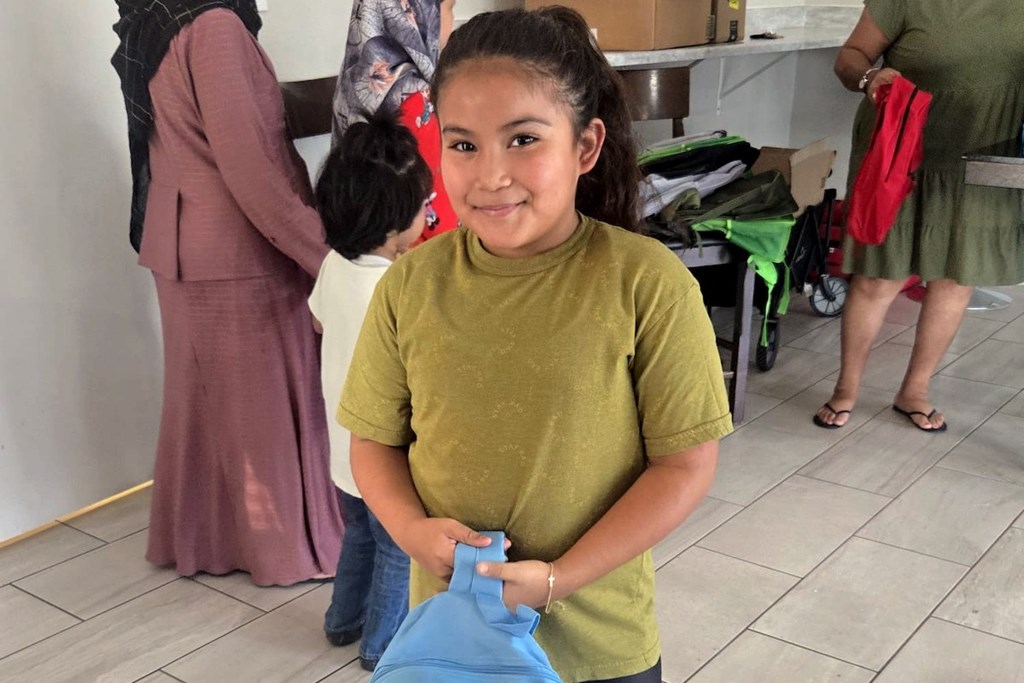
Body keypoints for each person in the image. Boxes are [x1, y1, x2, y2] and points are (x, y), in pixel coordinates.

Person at [337, 8, 732, 682]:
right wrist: (410, 530)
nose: (489, 174)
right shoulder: (410, 285)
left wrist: (558, 577)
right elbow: (374, 442)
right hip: (452, 637)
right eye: (463, 145)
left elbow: (684, 466)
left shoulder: (647, 283)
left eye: (522, 139)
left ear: (585, 146)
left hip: (599, 643)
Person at [111, 0, 342, 585]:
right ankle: (278, 549)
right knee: (257, 410)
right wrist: (327, 259)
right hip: (235, 249)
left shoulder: (160, 18)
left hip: (188, 241)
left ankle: (208, 542)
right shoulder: (212, 26)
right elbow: (252, 172)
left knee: (212, 408)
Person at [815, 0, 1024, 432]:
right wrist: (871, 77)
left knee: (955, 276)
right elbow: (849, 59)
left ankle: (915, 390)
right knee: (878, 275)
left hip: (985, 150)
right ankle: (845, 388)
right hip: (898, 152)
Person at [308, 114, 432, 671]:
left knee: (357, 534)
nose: (428, 214)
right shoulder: (397, 288)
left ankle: (341, 622)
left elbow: (316, 323)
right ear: (394, 222)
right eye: (423, 204)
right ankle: (381, 646)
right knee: (396, 546)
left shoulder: (334, 266)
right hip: (383, 453)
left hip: (340, 447)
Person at [332, 0, 459, 244]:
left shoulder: (357, 79)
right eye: (450, 10)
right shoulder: (417, 100)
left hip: (363, 245)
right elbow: (440, 220)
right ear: (417, 16)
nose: (451, 26)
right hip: (414, 260)